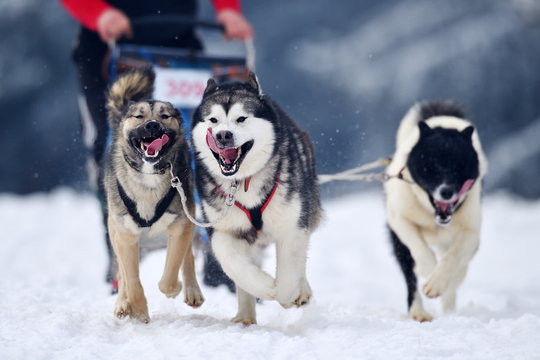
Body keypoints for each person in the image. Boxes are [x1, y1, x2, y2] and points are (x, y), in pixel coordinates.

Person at [60, 0, 252, 293]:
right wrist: (98, 13)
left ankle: (220, 253)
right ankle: (121, 257)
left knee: (208, 143)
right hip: (108, 48)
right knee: (108, 148)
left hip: (181, 43)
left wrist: (228, 9)